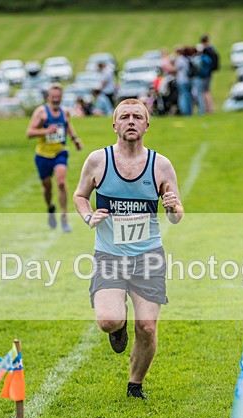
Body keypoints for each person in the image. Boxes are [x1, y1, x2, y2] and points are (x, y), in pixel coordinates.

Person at [73, 99, 184, 400]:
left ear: (147, 125)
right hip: (109, 256)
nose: (131, 121)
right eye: (125, 117)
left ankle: (135, 385)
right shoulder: (98, 161)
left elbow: (176, 214)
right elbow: (80, 195)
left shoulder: (160, 165)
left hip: (148, 257)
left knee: (147, 327)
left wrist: (173, 207)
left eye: (138, 116)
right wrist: (88, 216)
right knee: (108, 320)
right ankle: (117, 324)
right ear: (115, 125)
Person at [27, 84, 83, 233]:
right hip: (43, 155)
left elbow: (67, 125)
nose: (56, 100)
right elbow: (29, 132)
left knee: (61, 182)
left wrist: (75, 139)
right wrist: (46, 131)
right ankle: (50, 207)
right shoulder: (41, 112)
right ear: (48, 97)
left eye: (58, 97)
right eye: (53, 97)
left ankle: (64, 218)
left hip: (60, 152)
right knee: (47, 188)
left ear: (61, 97)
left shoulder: (65, 112)